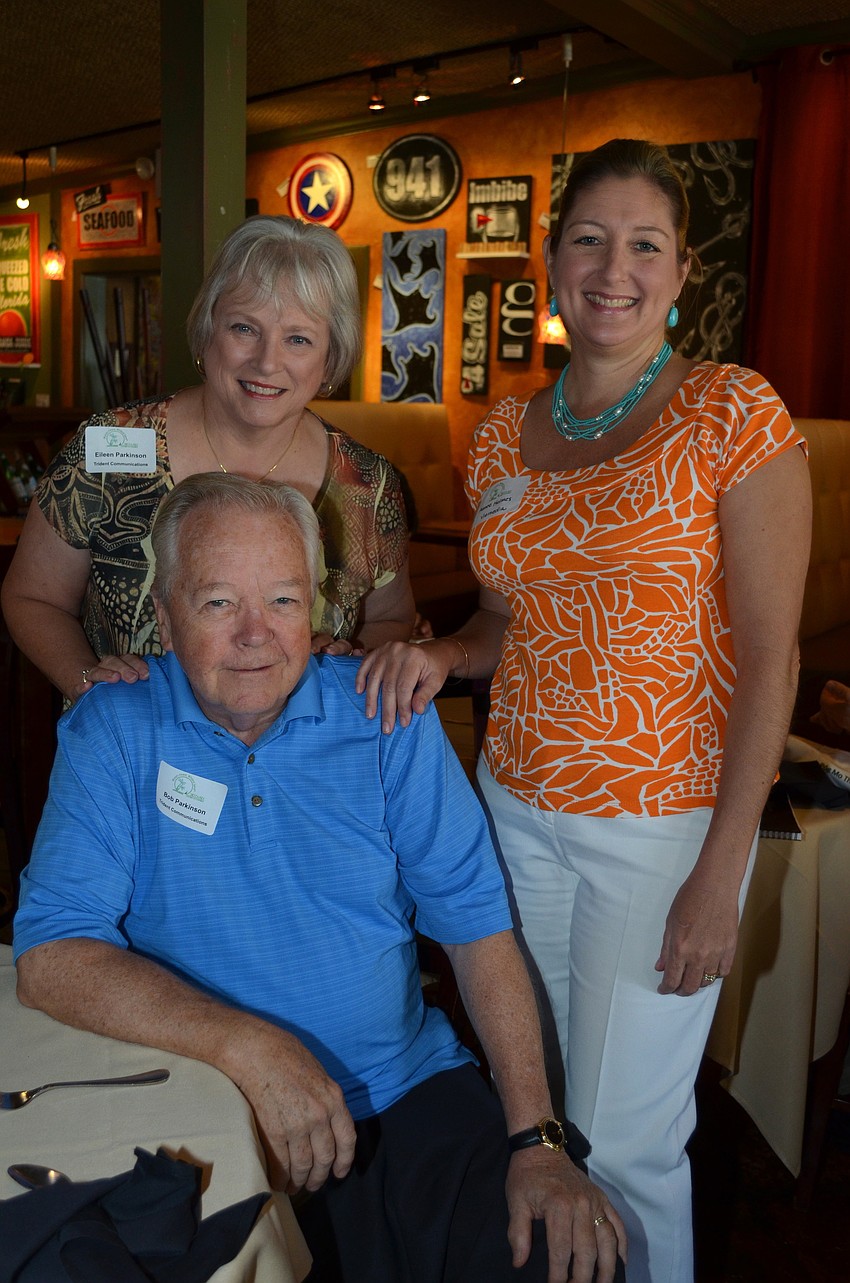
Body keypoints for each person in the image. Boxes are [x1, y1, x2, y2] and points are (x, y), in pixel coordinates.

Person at [355, 139, 812, 1282]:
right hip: (515, 809)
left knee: (634, 1143)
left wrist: (720, 870)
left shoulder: (731, 413)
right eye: (590, 240)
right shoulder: (505, 429)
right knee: (548, 1109)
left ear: (680, 269)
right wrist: (441, 652)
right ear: (553, 261)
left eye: (643, 244)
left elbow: (772, 659)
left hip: (661, 826)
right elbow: (516, 618)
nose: (615, 267)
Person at [13, 473, 626, 1283]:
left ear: (318, 610)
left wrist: (537, 1141)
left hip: (400, 1092)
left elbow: (478, 931)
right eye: (217, 603)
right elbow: (53, 952)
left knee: (561, 1259)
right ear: (162, 617)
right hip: (205, 1099)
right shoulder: (114, 729)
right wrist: (248, 1046)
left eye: (283, 601)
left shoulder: (387, 720)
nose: (255, 636)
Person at [0, 216, 414, 705]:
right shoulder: (106, 450)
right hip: (133, 755)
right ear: (207, 330)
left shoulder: (368, 484)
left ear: (331, 355)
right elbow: (32, 597)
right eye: (245, 328)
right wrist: (87, 683)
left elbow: (393, 618)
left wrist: (353, 651)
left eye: (298, 339)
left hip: (301, 768)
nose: (266, 362)